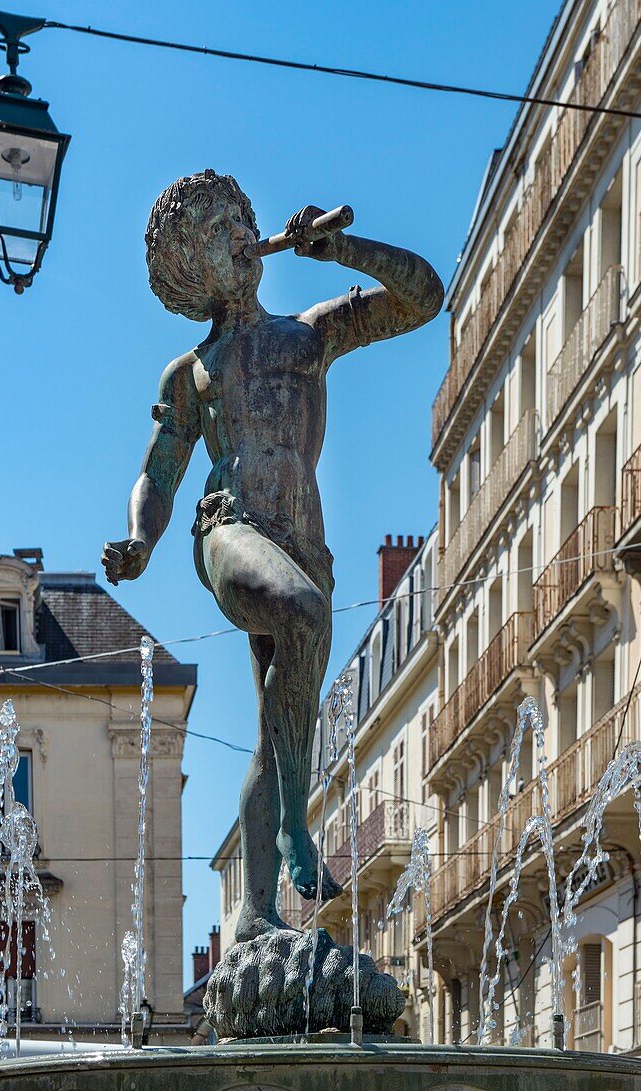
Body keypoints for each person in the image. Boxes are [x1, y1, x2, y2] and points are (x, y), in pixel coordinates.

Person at [102, 169, 443, 942]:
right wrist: (141, 541)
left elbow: (425, 298)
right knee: (301, 611)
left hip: (305, 546)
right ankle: (295, 823)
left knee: (277, 731)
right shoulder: (193, 371)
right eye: (218, 233)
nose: (240, 236)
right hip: (228, 530)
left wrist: (343, 249)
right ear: (193, 269)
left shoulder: (309, 334)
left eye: (240, 221)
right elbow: (158, 473)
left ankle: (255, 915)